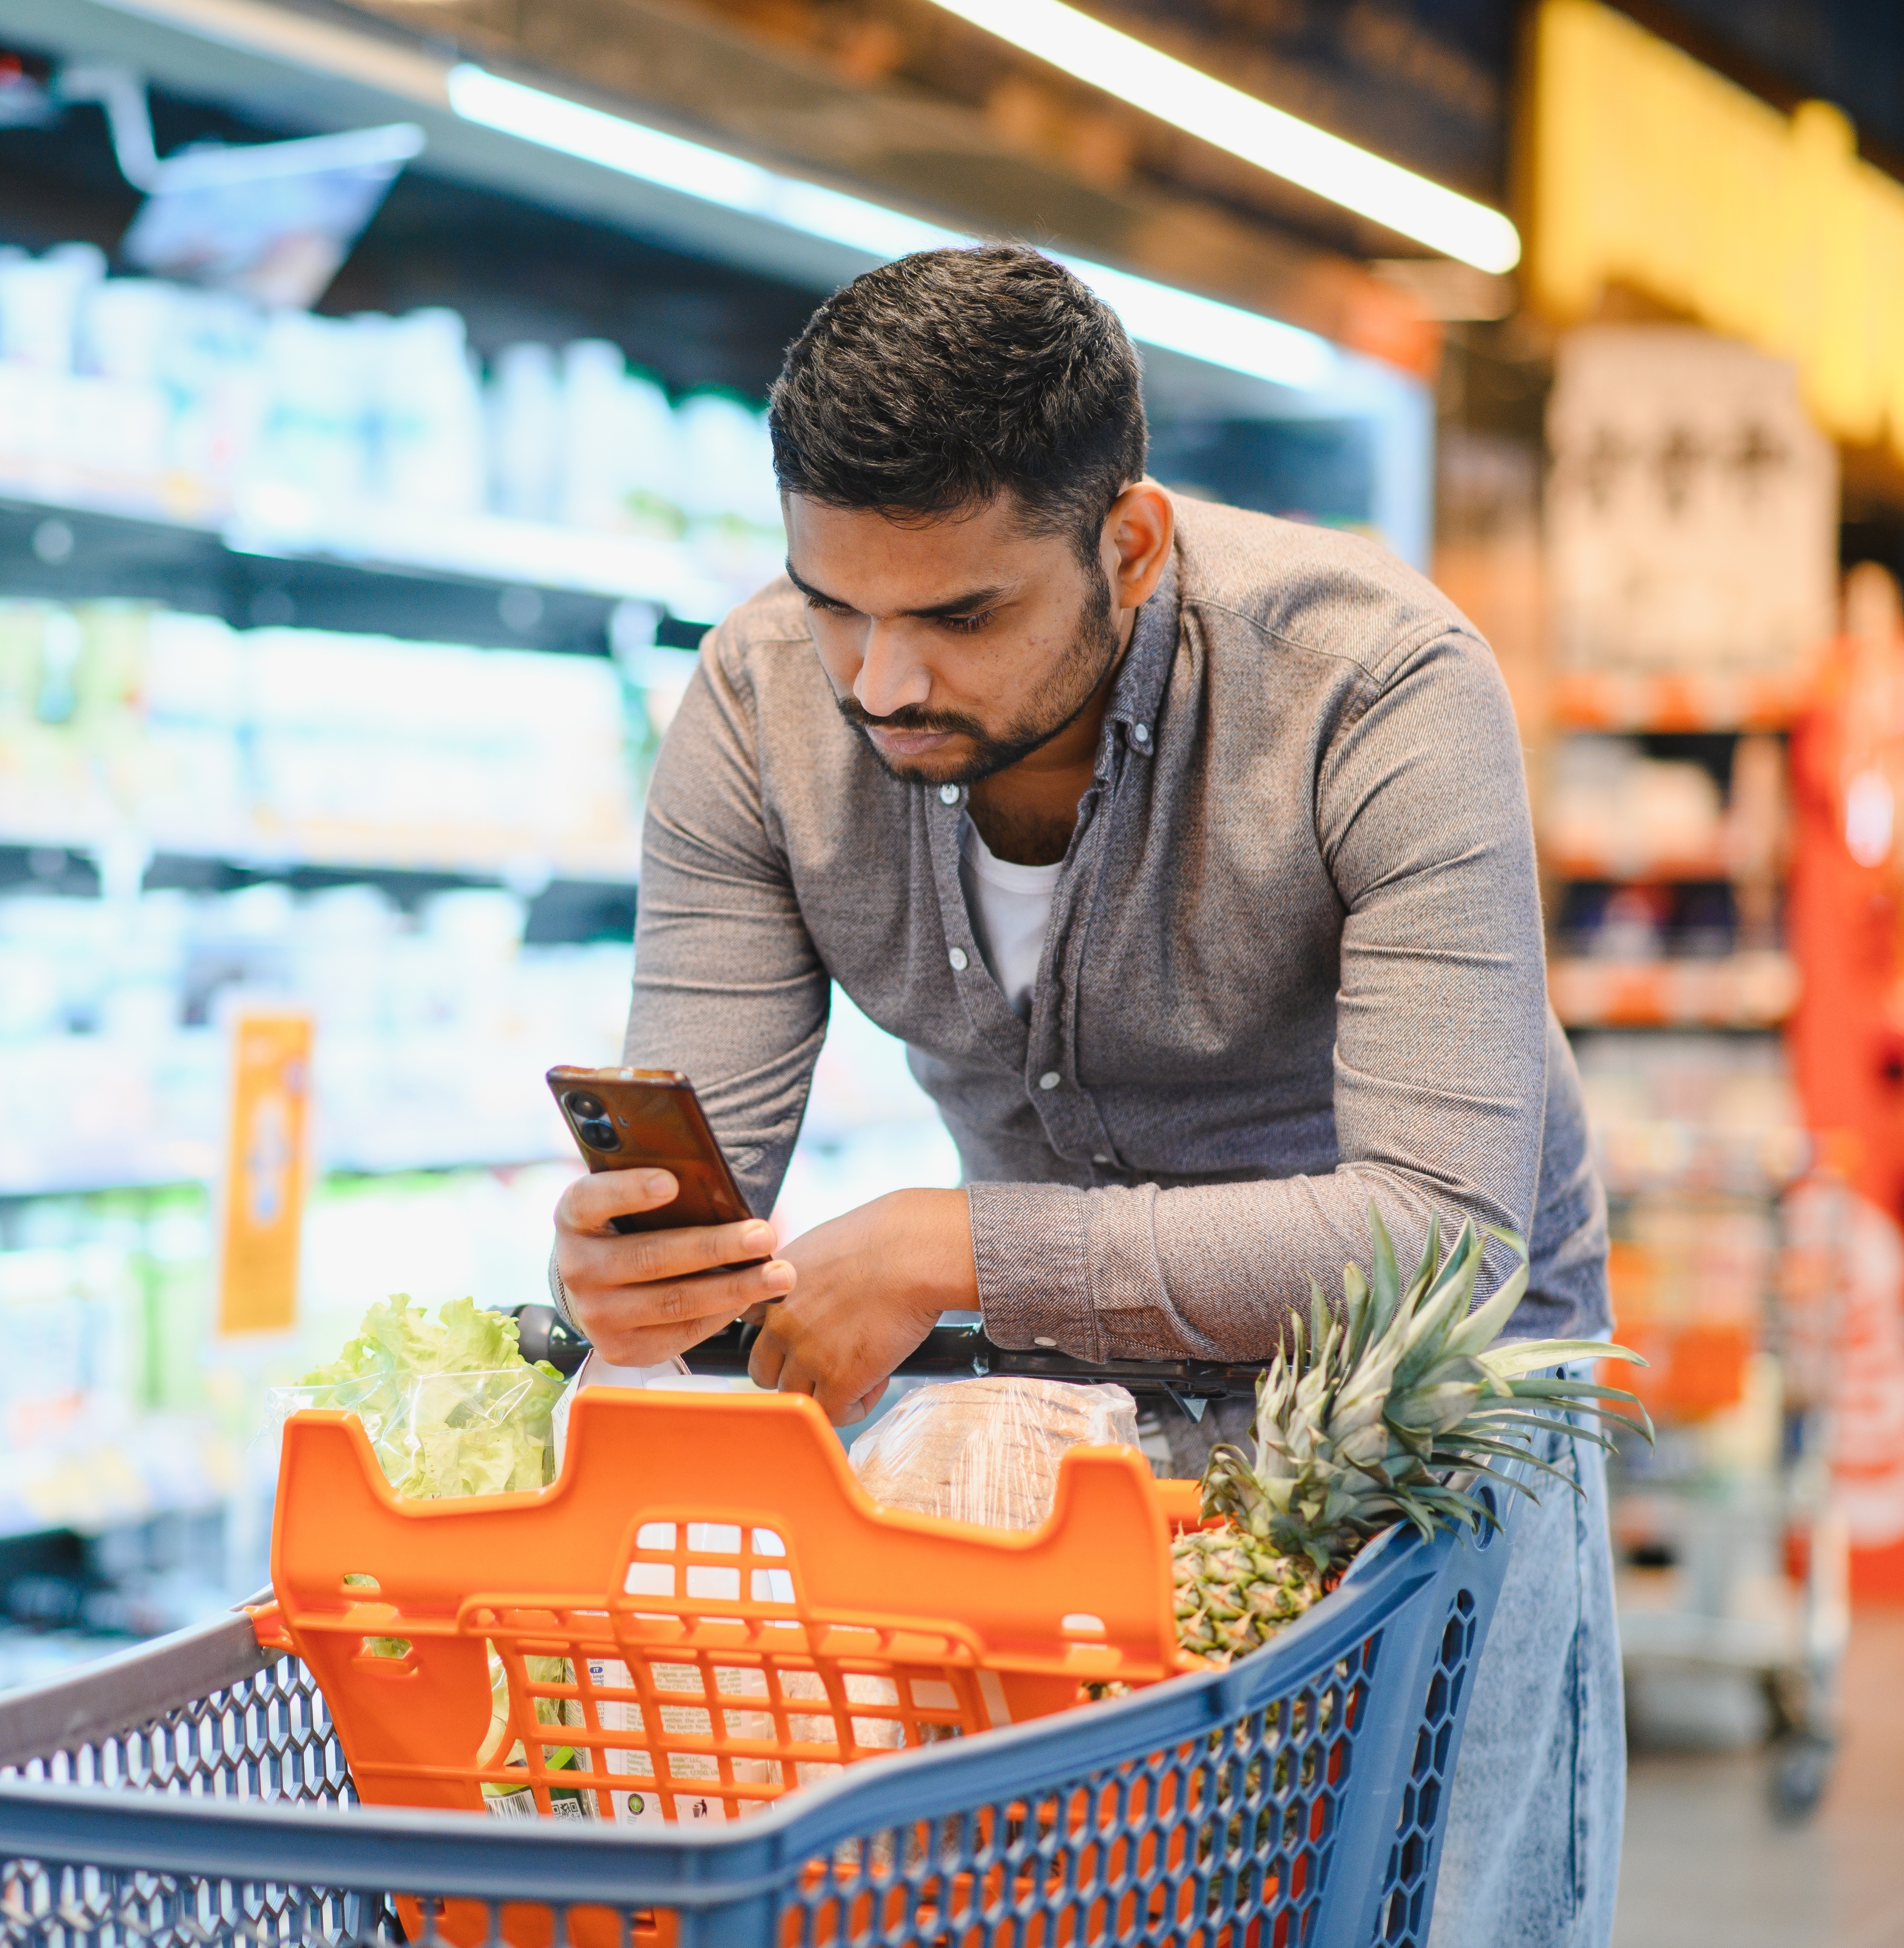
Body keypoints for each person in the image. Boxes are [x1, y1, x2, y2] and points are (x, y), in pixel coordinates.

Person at [548, 245, 1619, 1947]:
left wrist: (952, 1246)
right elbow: (706, 1171)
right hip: (1060, 1385)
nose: (881, 681)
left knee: (1407, 1884)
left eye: (961, 614)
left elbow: (1443, 1238)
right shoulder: (761, 702)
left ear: (1128, 543)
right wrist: (630, 1272)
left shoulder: (1380, 687)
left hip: (1410, 1395)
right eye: (837, 603)